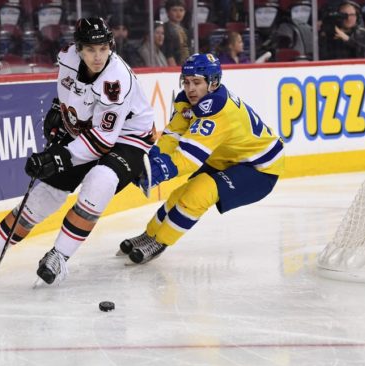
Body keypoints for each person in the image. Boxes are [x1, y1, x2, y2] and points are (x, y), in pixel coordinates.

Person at [0, 17, 155, 285]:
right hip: (87, 130)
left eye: (103, 49)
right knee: (45, 194)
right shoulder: (67, 58)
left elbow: (102, 141)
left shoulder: (116, 82)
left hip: (128, 139)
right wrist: (61, 116)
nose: (98, 56)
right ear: (79, 49)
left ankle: (59, 256)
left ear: (110, 46)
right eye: (90, 49)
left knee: (100, 181)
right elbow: (68, 95)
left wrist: (60, 156)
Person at [118, 53, 285, 264]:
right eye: (186, 82)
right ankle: (149, 234)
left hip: (259, 169)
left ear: (213, 82)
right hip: (226, 158)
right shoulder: (188, 101)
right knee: (181, 194)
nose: (190, 88)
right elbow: (173, 135)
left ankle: (160, 242)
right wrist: (153, 160)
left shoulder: (218, 110)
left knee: (198, 193)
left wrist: (157, 173)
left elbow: (189, 158)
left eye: (197, 82)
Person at [162, 0, 191, 66]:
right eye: (174, 10)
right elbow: (168, 52)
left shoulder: (185, 30)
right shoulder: (164, 29)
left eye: (181, 10)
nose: (178, 13)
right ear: (167, 12)